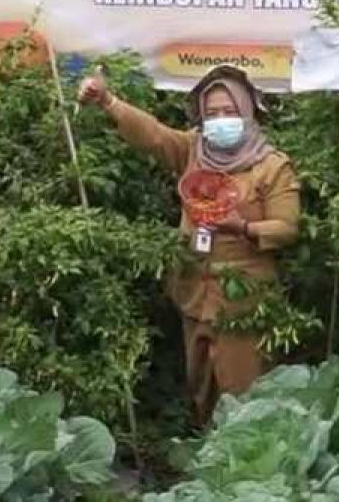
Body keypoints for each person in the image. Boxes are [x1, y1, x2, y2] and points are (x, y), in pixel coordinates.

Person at [78, 64, 300, 425]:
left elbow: (287, 227)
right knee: (201, 384)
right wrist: (108, 101)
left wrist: (243, 227)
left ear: (246, 112)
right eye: (212, 113)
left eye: (229, 112)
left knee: (243, 388)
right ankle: (207, 459)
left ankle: (249, 465)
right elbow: (152, 135)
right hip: (195, 290)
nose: (220, 120)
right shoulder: (193, 151)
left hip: (244, 298)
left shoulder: (271, 166)